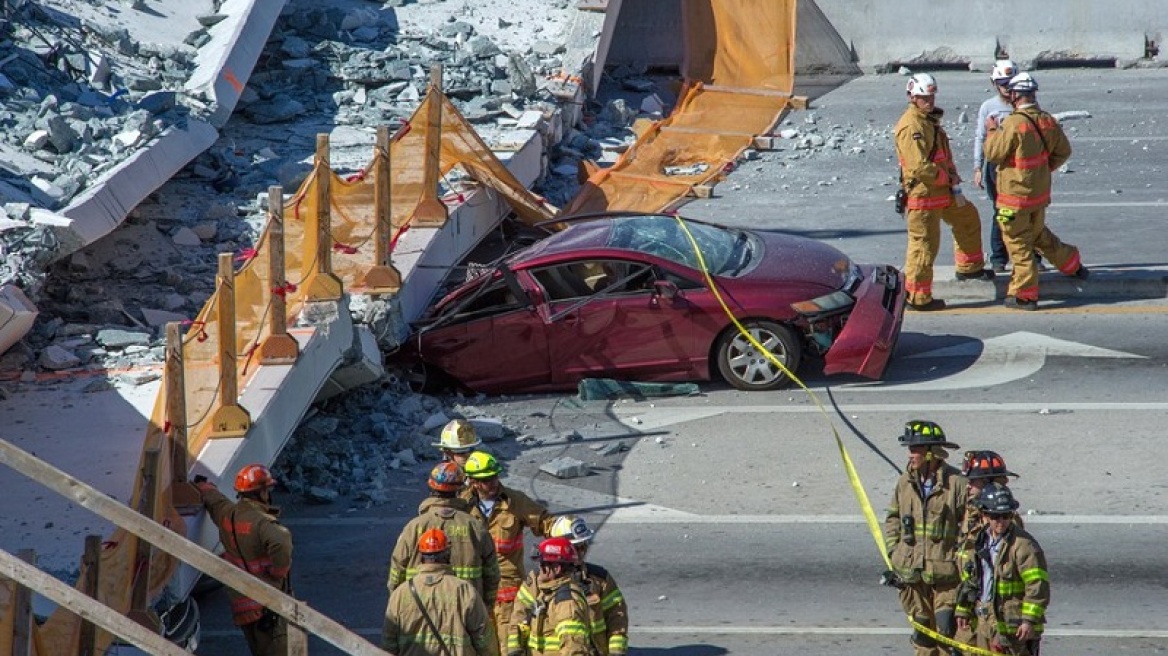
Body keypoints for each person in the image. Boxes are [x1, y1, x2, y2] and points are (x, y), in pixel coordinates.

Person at [984, 71, 1089, 310]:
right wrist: (1041, 171)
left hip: (1011, 201)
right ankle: (1072, 264)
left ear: (1015, 96)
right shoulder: (1047, 120)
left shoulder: (1012, 123)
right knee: (1038, 233)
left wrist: (992, 130)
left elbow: (993, 154)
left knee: (1016, 242)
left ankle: (1024, 294)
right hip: (1038, 197)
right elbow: (1063, 152)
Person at [895, 72, 992, 312]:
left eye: (931, 96)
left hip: (942, 192)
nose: (929, 101)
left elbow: (940, 156)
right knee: (924, 246)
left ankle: (969, 267)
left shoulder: (928, 121)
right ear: (912, 97)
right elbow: (919, 166)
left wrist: (951, 177)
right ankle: (918, 298)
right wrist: (946, 177)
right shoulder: (911, 126)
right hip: (924, 196)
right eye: (923, 98)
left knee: (967, 218)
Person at [883, 420, 969, 656]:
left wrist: (962, 561)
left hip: (946, 578)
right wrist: (895, 552)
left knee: (947, 632)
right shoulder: (905, 482)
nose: (910, 455)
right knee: (922, 638)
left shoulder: (957, 484)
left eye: (915, 449)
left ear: (931, 453)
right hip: (912, 577)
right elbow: (893, 518)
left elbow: (973, 528)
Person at [461, 451, 557, 654]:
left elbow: (546, 522)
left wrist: (565, 536)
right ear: (474, 482)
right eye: (487, 479)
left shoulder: (515, 502)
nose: (494, 482)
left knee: (509, 647)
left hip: (508, 593)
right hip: (474, 593)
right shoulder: (461, 505)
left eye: (496, 476)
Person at [196, 464, 292, 656]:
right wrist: (277, 573)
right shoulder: (263, 523)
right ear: (262, 492)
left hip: (243, 605)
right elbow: (281, 544)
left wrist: (202, 486)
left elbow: (215, 500)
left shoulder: (228, 515)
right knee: (284, 649)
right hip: (269, 603)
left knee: (258, 649)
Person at [388, 462, 501, 613]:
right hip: (465, 609)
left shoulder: (413, 527)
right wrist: (484, 608)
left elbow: (396, 573)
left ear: (431, 488)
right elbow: (492, 575)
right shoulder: (475, 527)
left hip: (420, 608)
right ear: (460, 489)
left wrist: (401, 606)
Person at [955, 484, 1049, 656]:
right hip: (984, 621)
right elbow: (970, 579)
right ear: (985, 515)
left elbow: (1037, 586)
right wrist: (963, 608)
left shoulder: (1024, 546)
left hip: (1013, 627)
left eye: (1006, 516)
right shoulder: (978, 541)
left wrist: (1028, 620)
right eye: (996, 516)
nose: (1001, 521)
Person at [973, 59, 1044, 274]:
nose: (1007, 88)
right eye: (1002, 84)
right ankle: (998, 256)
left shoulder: (1024, 107)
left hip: (1021, 169)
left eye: (1010, 84)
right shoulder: (988, 107)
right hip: (996, 169)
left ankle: (1032, 255)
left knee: (1027, 212)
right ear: (994, 84)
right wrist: (978, 166)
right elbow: (981, 138)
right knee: (1001, 213)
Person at [382, 528, 499, 656]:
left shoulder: (400, 594)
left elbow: (389, 643)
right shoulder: (464, 591)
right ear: (448, 555)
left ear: (421, 556)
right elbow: (484, 639)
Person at [549, 515, 628, 656]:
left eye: (584, 545)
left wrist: (616, 651)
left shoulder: (599, 579)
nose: (582, 551)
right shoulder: (541, 581)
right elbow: (520, 620)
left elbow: (617, 616)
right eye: (576, 547)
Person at [508, 538, 592, 656]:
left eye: (543, 564)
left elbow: (573, 649)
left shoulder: (566, 603)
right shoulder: (549, 592)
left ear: (556, 569)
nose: (539, 569)